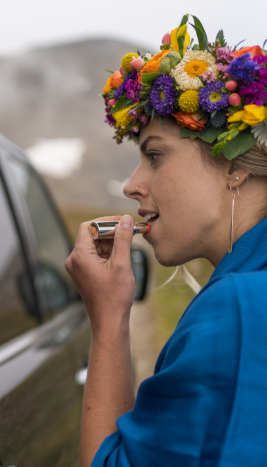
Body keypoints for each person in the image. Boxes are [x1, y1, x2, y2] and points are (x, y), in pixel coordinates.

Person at [66, 15, 267, 467]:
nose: (131, 186)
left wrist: (109, 320)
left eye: (155, 155)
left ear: (236, 166)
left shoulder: (239, 308)